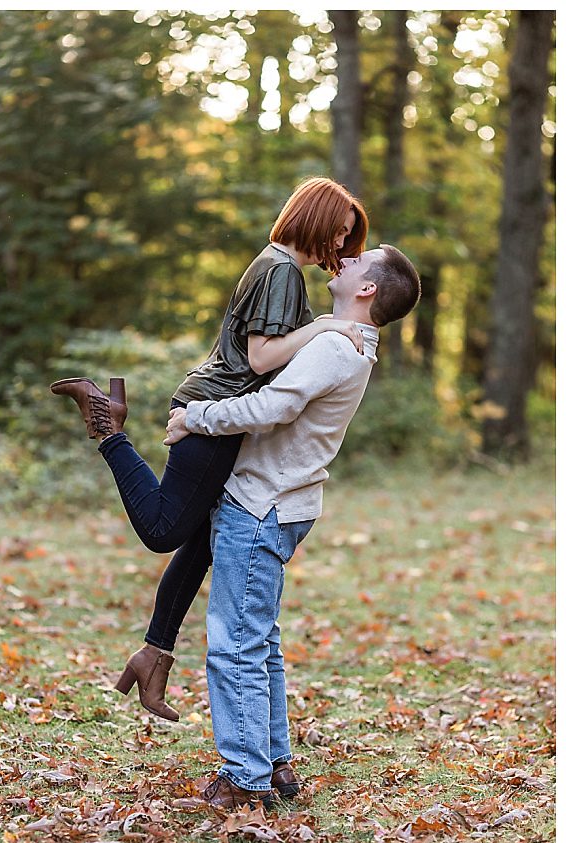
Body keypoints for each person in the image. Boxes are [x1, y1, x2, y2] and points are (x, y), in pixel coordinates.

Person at [49, 177, 370, 721]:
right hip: (215, 411)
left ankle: (154, 654)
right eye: (338, 232)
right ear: (314, 218)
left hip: (223, 413)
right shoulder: (282, 271)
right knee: (163, 531)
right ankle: (107, 426)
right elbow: (263, 358)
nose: (340, 246)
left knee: (202, 539)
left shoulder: (278, 267)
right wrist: (327, 325)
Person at [163, 244, 420, 810]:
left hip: (262, 504)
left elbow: (269, 408)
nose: (345, 260)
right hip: (285, 503)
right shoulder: (349, 342)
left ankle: (245, 778)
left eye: (359, 262)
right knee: (260, 640)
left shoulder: (334, 346)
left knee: (235, 646)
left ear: (367, 289)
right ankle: (274, 762)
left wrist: (195, 417)